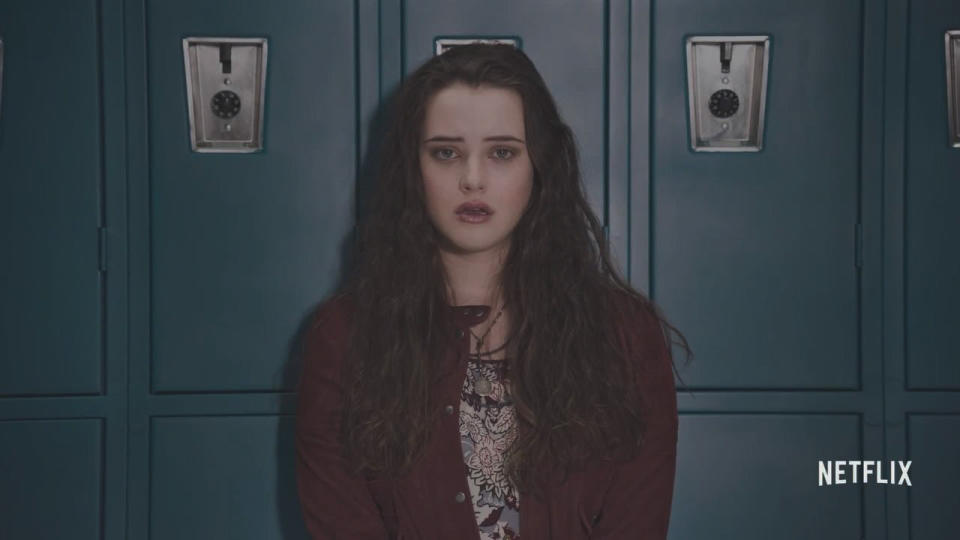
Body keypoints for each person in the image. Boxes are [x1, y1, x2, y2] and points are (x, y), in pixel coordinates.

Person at [295, 43, 691, 540]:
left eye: (502, 152)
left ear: (538, 167)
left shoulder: (625, 334)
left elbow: (637, 523)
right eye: (446, 153)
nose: (473, 179)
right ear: (413, 171)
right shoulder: (344, 338)